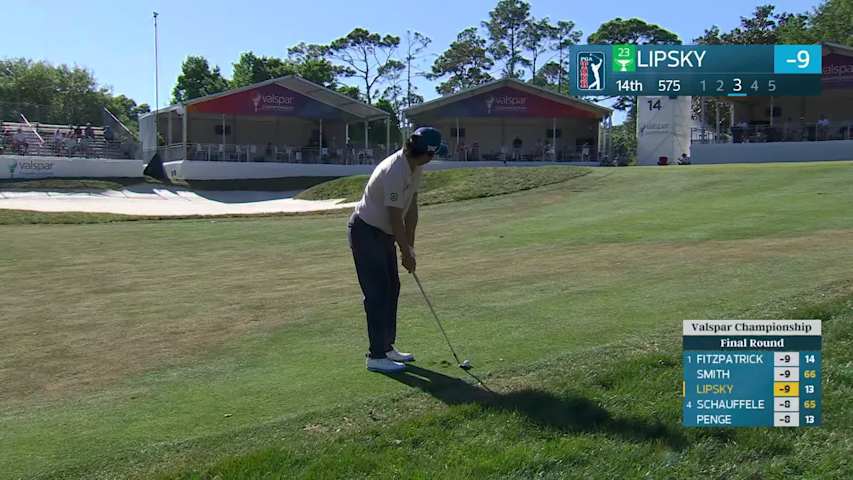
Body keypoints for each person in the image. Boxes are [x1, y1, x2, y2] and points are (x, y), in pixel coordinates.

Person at [347, 127, 443, 373]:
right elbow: (394, 217)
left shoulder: (415, 167)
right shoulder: (394, 170)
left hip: (383, 233)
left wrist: (409, 247)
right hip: (366, 232)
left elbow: (411, 209)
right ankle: (376, 356)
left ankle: (386, 346)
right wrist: (404, 250)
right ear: (428, 154)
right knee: (377, 293)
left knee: (392, 288)